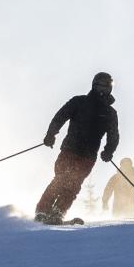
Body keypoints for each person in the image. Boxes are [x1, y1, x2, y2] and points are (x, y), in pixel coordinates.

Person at [35, 72, 119, 224]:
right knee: (61, 180)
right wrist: (50, 134)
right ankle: (42, 211)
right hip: (70, 150)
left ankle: (57, 213)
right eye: (101, 86)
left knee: (73, 184)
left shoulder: (110, 113)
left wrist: (108, 151)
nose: (104, 90)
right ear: (94, 85)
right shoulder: (79, 102)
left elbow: (113, 136)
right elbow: (60, 116)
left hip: (87, 157)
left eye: (107, 87)